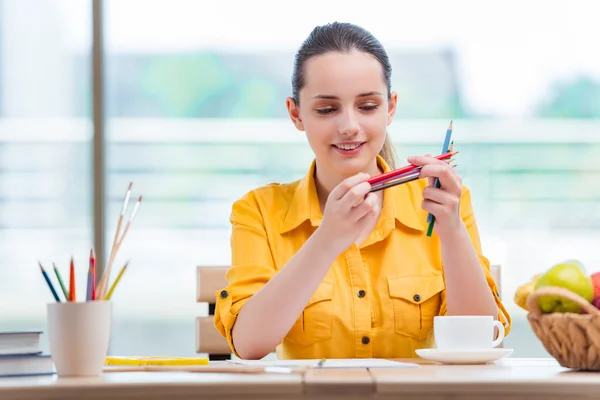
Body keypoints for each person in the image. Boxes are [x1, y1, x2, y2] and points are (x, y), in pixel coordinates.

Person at [214, 21, 511, 360]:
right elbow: (250, 345)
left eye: (368, 106)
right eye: (326, 109)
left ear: (391, 108)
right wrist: (326, 241)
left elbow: (480, 343)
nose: (349, 127)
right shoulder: (258, 211)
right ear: (296, 114)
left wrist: (454, 233)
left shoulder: (443, 202)